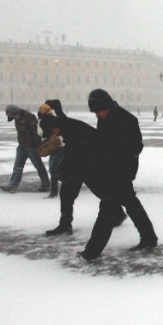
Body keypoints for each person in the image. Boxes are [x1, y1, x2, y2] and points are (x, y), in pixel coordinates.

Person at [78, 89, 157, 260]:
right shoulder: (104, 118)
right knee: (131, 205)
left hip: (121, 171)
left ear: (107, 106)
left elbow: (135, 147)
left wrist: (116, 158)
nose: (97, 114)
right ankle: (149, 237)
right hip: (109, 170)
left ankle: (92, 251)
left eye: (99, 110)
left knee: (107, 208)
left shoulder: (127, 119)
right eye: (95, 111)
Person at [42, 99, 126, 237]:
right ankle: (65, 225)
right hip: (79, 165)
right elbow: (61, 115)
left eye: (52, 131)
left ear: (54, 126)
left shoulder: (72, 128)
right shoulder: (64, 124)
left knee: (101, 191)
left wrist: (66, 167)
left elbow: (83, 150)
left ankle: (118, 213)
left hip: (91, 164)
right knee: (66, 195)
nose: (53, 135)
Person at [0, 104, 51, 193]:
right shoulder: (17, 117)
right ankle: (12, 186)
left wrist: (39, 146)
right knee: (17, 167)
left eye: (13, 116)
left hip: (32, 147)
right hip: (22, 147)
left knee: (39, 167)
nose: (13, 119)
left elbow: (36, 133)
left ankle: (46, 185)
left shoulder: (29, 117)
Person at [37, 103, 65, 199]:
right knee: (58, 168)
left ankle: (54, 192)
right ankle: (70, 183)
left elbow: (40, 133)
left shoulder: (45, 120)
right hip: (59, 145)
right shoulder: (56, 118)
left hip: (57, 145)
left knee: (54, 168)